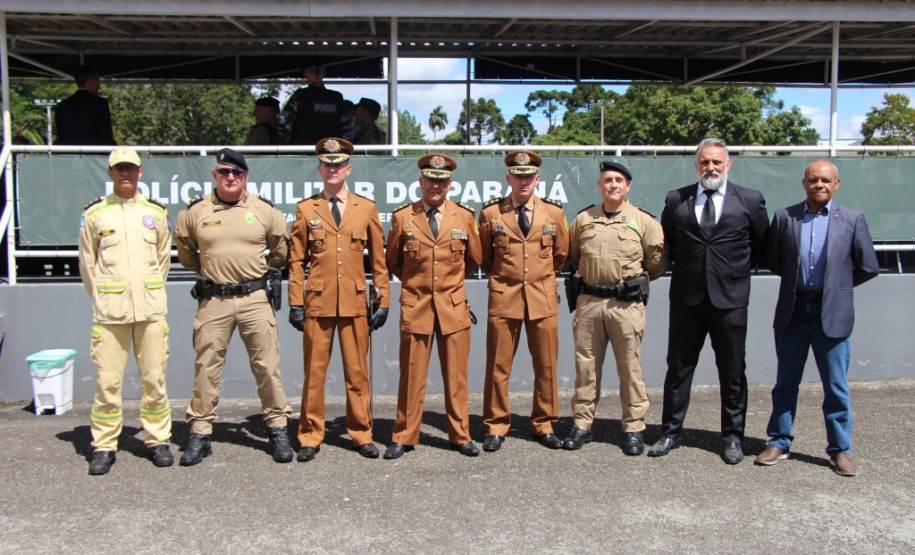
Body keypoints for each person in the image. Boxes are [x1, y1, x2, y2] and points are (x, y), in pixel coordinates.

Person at [649, 137, 769, 464]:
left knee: (732, 372)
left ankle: (732, 438)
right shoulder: (677, 199)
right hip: (687, 299)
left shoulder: (750, 200)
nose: (711, 167)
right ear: (696, 165)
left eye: (717, 162)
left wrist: (732, 272)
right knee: (678, 369)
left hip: (730, 300)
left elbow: (760, 246)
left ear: (728, 164)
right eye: (705, 162)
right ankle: (670, 432)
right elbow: (670, 243)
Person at [755, 160, 879, 477]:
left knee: (835, 386)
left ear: (836, 184)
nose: (819, 185)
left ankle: (840, 449)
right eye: (813, 180)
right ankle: (779, 441)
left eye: (825, 180)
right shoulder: (785, 217)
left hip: (833, 313)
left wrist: (836, 286)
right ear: (804, 183)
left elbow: (868, 266)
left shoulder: (852, 219)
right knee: (785, 383)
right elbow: (773, 260)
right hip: (794, 310)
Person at [173, 148, 294, 465]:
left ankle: (278, 429)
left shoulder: (264, 211)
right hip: (214, 299)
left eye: (236, 173)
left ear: (245, 176)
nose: (230, 177)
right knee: (207, 367)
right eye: (224, 172)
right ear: (215, 174)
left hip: (254, 299)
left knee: (267, 367)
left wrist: (259, 275)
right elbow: (187, 254)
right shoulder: (195, 212)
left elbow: (280, 253)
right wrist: (214, 272)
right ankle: (200, 433)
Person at [287, 137, 390, 461]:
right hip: (318, 304)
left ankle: (361, 433)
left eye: (339, 165)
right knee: (314, 375)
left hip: (355, 303)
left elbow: (379, 260)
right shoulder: (306, 209)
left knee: (357, 373)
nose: (333, 170)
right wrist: (295, 301)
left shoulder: (366, 208)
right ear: (320, 169)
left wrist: (383, 300)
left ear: (348, 169)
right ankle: (309, 435)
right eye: (327, 165)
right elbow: (296, 261)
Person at [78, 146, 172, 475]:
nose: (125, 173)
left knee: (154, 380)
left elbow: (162, 261)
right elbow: (88, 265)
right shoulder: (95, 214)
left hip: (150, 311)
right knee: (107, 384)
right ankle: (104, 445)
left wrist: (147, 293)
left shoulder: (155, 213)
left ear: (140, 172)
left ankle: (157, 439)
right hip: (110, 314)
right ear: (111, 174)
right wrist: (104, 298)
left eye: (131, 168)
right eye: (119, 169)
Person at [563, 161, 667, 455]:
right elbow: (574, 255)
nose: (613, 185)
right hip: (589, 303)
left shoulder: (644, 221)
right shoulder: (584, 219)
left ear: (628, 186)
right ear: (599, 185)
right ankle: (582, 425)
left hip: (625, 305)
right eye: (607, 180)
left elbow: (657, 263)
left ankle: (633, 429)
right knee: (586, 368)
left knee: (630, 368)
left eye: (619, 180)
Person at [383, 154, 483, 459]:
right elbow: (393, 261)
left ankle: (460, 435)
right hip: (417, 306)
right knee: (411, 377)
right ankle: (404, 435)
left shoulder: (464, 216)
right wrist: (418, 283)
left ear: (450, 184)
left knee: (456, 377)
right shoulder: (403, 217)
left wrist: (448, 285)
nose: (435, 186)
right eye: (430, 181)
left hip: (453, 306)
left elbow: (474, 259)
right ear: (420, 182)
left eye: (441, 182)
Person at [478, 151, 569, 452]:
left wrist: (539, 278)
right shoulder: (491, 213)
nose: (523, 181)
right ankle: (496, 425)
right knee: (498, 365)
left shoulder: (553, 213)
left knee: (546, 365)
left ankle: (544, 423)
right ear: (508, 179)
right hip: (505, 297)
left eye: (528, 176)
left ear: (537, 179)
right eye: (517, 176)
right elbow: (485, 257)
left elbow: (560, 255)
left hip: (542, 298)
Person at [276, 58, 346, 145]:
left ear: (305, 74)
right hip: (330, 150)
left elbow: (284, 124)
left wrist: (282, 147)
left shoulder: (300, 96)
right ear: (324, 73)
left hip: (303, 150)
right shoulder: (336, 97)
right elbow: (345, 130)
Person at [54, 65, 115, 146]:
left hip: (68, 153)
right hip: (94, 153)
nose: (99, 86)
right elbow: (105, 137)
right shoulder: (100, 104)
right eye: (97, 81)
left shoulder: (61, 107)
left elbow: (60, 138)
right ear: (90, 80)